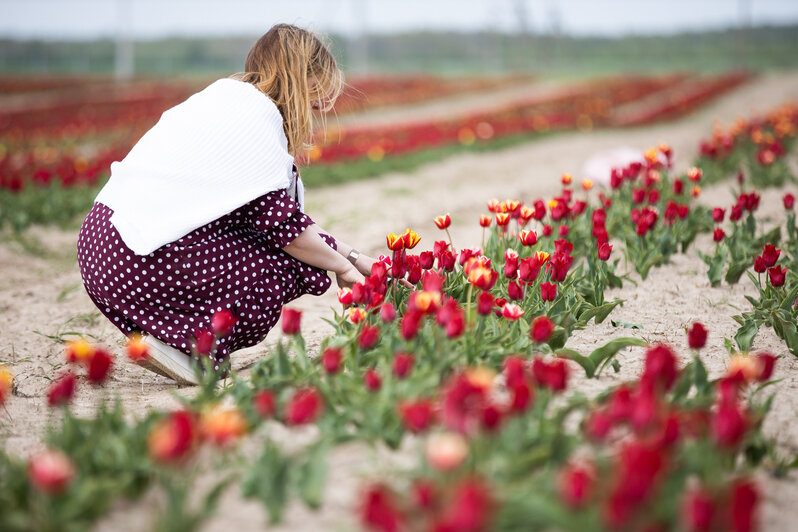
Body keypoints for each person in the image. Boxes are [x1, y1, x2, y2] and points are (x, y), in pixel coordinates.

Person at [76, 24, 376, 385]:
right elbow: (288, 232)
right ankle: (193, 349)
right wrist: (344, 269)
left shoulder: (227, 100)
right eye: (317, 98)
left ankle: (178, 342)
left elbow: (283, 219)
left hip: (105, 250)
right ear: (302, 81)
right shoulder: (258, 119)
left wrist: (355, 258)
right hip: (135, 260)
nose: (316, 111)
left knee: (278, 244)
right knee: (287, 263)